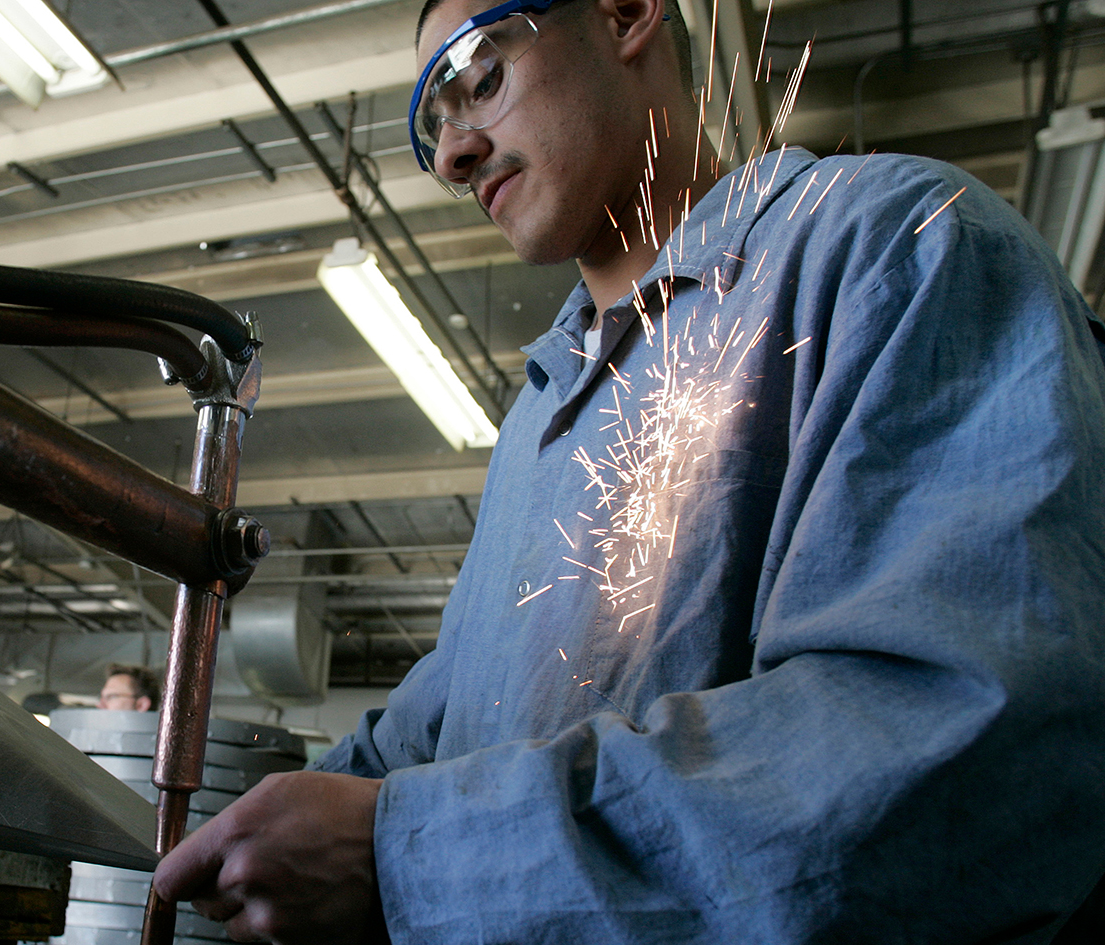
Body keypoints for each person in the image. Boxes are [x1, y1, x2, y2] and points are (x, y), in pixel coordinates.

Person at [153, 0, 1105, 942]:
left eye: (479, 75)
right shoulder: (540, 415)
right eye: (432, 127)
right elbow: (447, 721)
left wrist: (408, 852)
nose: (453, 153)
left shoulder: (889, 247)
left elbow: (962, 760)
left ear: (626, 14)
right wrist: (217, 820)